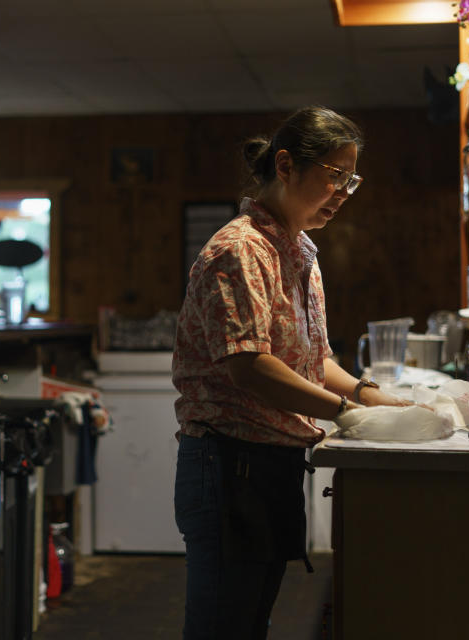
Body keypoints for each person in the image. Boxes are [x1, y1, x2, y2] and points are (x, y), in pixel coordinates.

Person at [172, 106, 415, 639]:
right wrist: (349, 415)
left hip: (270, 463)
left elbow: (312, 359)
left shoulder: (299, 250)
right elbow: (250, 366)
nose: (344, 192)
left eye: (352, 179)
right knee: (223, 628)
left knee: (250, 625)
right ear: (285, 166)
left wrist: (372, 396)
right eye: (334, 176)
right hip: (228, 462)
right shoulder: (239, 249)